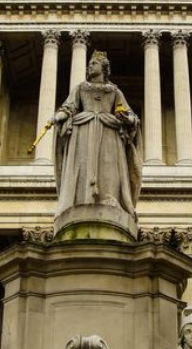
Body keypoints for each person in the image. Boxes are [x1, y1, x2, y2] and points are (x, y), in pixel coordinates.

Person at [51, 51, 141, 223]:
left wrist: (126, 119)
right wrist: (58, 117)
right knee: (82, 163)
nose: (89, 66)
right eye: (90, 63)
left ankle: (109, 197)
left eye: (94, 63)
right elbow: (68, 108)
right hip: (83, 130)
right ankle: (80, 199)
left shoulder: (114, 91)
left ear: (104, 68)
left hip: (109, 131)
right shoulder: (80, 88)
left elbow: (130, 116)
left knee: (108, 165)